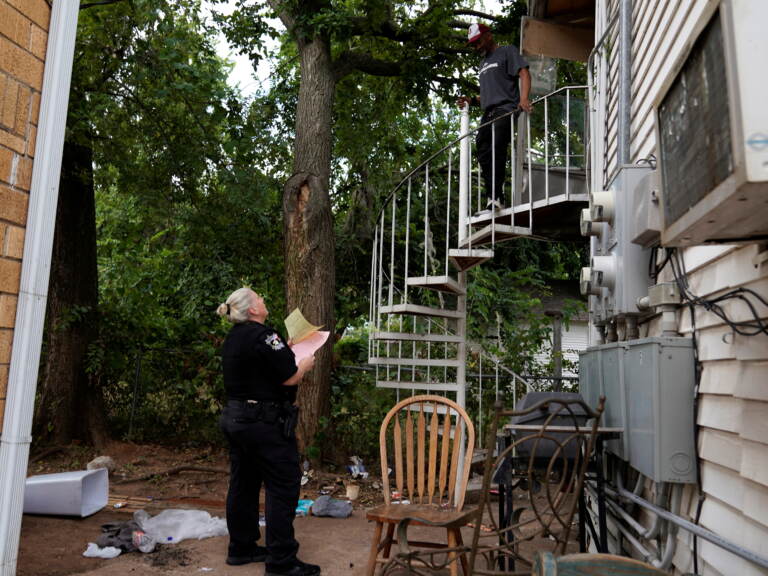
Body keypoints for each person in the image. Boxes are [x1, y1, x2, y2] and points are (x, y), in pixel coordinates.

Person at [216, 287, 320, 576]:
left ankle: (242, 547)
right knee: (283, 484)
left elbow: (260, 369)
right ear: (252, 310)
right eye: (259, 298)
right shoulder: (264, 336)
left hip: (236, 419)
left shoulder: (235, 337)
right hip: (263, 423)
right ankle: (282, 561)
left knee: (244, 483)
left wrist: (283, 348)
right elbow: (288, 377)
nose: (264, 300)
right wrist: (304, 363)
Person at [458, 22, 532, 213]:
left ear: (488, 35)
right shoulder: (482, 63)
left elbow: (524, 73)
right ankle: (493, 196)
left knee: (496, 147)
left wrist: (523, 99)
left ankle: (496, 197)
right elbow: (489, 92)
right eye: (473, 44)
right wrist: (472, 100)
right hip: (488, 112)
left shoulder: (507, 51)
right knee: (482, 149)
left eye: (478, 42)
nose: (476, 47)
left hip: (505, 108)